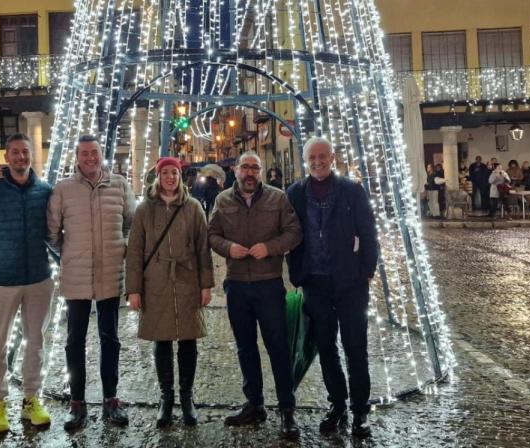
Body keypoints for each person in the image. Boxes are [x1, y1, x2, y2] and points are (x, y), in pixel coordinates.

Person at [286, 137, 378, 438]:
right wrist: (297, 274)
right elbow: (291, 234)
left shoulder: (352, 190)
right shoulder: (296, 193)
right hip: (316, 282)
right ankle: (337, 404)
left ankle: (360, 411)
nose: (317, 161)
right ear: (305, 159)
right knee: (325, 347)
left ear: (332, 157)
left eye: (322, 156)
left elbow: (368, 231)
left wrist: (366, 271)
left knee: (356, 348)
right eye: (312, 157)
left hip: (350, 282)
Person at [208, 151, 302, 440]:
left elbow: (294, 232)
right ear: (235, 170)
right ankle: (254, 403)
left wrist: (270, 247)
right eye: (245, 167)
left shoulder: (278, 197)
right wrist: (227, 248)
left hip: (268, 283)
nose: (250, 173)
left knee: (278, 347)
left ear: (261, 172)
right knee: (245, 347)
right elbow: (211, 234)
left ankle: (287, 408)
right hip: (236, 284)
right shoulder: (223, 200)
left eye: (255, 168)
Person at [0, 133, 54, 435]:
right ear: (7, 158)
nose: (20, 157)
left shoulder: (45, 191)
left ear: (31, 155)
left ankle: (31, 399)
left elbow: (56, 233)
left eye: (25, 152)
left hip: (39, 280)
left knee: (36, 343)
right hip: (1, 282)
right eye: (15, 152)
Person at [47, 135, 136, 432]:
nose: (90, 158)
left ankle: (111, 398)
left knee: (110, 339)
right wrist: (70, 254)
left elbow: (131, 222)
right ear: (77, 156)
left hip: (111, 273)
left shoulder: (120, 185)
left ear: (101, 155)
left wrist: (120, 247)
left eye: (94, 153)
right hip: (77, 276)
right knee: (75, 341)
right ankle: (77, 402)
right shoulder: (64, 189)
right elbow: (52, 231)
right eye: (84, 153)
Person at [125, 157, 214, 428]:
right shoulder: (145, 210)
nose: (170, 177)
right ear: (158, 176)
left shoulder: (193, 207)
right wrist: (134, 290)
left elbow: (202, 248)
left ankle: (186, 398)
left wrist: (205, 284)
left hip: (187, 280)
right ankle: (166, 397)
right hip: (156, 282)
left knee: (188, 340)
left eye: (174, 173)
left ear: (180, 176)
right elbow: (135, 251)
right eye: (165, 173)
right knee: (161, 340)